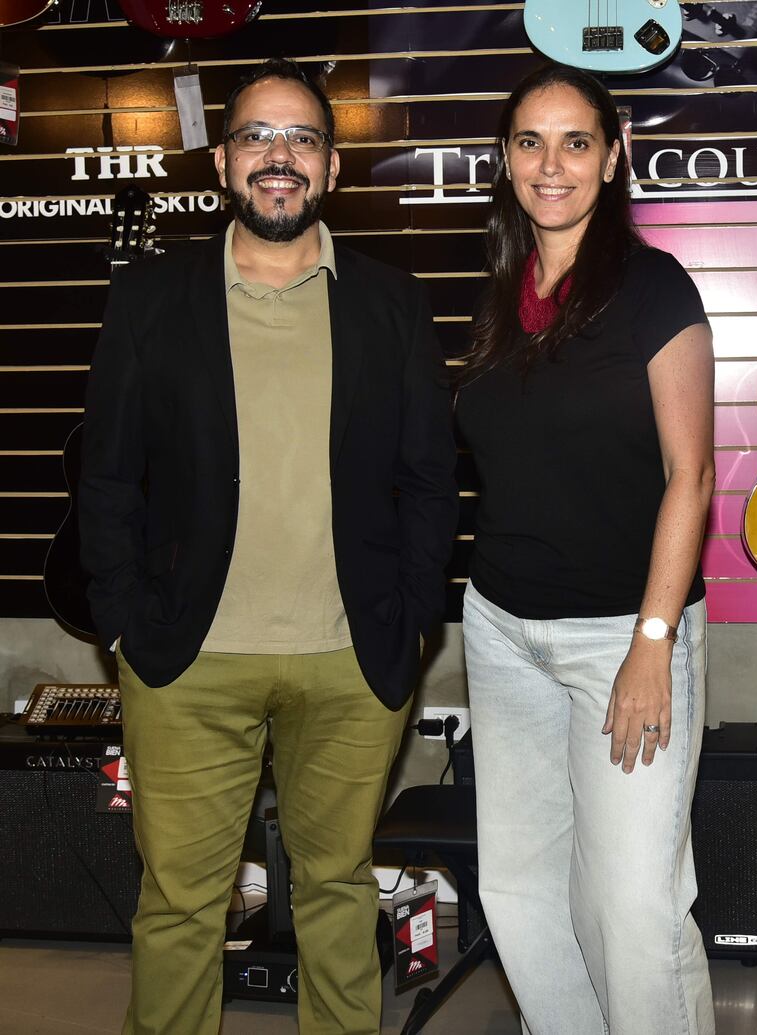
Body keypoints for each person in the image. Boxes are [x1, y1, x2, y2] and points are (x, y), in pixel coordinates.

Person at [79, 58, 457, 1035]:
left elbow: (430, 478)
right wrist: (123, 624)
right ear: (221, 162)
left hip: (351, 660)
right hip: (186, 662)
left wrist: (413, 619)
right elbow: (106, 477)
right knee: (180, 905)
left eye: (300, 138)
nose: (278, 156)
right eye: (256, 136)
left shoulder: (391, 301)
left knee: (338, 890)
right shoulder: (151, 298)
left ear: (330, 165)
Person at [455, 63, 716, 1034]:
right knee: (521, 890)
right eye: (530, 142)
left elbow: (691, 475)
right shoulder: (499, 291)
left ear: (612, 158)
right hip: (501, 631)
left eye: (575, 142)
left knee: (632, 904)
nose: (551, 164)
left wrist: (652, 641)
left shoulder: (653, 288)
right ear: (505, 158)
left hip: (624, 634)